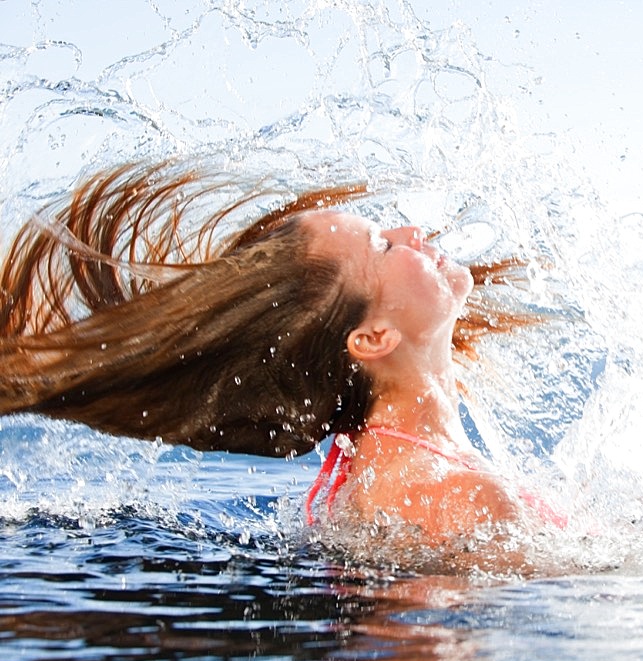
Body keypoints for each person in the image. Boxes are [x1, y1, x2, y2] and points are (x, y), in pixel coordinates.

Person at [0, 160, 557, 570]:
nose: (412, 233)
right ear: (372, 337)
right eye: (384, 248)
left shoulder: (389, 468)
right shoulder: (455, 497)